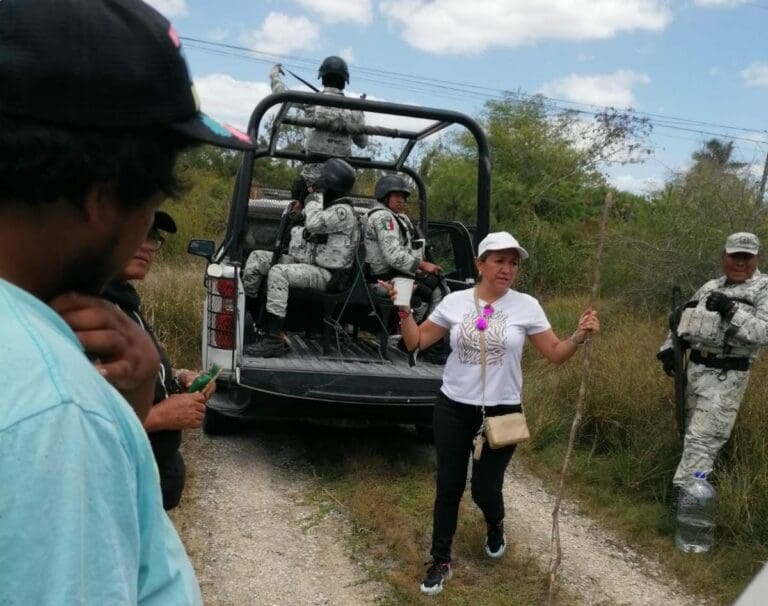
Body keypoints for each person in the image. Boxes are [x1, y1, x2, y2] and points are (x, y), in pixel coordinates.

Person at [0, 0, 253, 603]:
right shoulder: (57, 413)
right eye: (153, 197)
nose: (146, 230)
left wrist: (134, 402)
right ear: (103, 192)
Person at [381, 231, 599, 596]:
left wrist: (578, 336)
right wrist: (403, 309)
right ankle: (440, 560)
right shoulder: (455, 303)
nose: (507, 269)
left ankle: (495, 523)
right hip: (453, 406)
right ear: (480, 264)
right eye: (499, 261)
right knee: (448, 486)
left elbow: (555, 354)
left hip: (502, 411)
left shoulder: (526, 306)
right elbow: (416, 341)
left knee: (485, 489)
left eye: (513, 263)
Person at [103, 211, 214, 510]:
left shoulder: (124, 303)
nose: (147, 245)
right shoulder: (89, 314)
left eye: (153, 236)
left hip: (147, 493)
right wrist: (161, 416)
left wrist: (178, 377)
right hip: (116, 496)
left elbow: (130, 375)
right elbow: (79, 426)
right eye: (137, 230)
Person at [657, 232, 768, 490]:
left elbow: (764, 333)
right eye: (734, 256)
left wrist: (731, 311)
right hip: (694, 373)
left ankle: (687, 506)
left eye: (746, 257)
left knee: (701, 443)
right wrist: (670, 349)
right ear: (723, 256)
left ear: (757, 258)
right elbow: (683, 320)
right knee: (690, 439)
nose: (740, 262)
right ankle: (697, 495)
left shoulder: (763, 288)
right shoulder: (710, 286)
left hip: (726, 377)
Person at [246, 158, 359, 358]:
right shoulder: (327, 208)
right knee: (257, 259)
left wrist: (314, 197)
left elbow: (314, 224)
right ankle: (248, 316)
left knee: (278, 272)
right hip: (311, 264)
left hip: (329, 275)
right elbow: (303, 243)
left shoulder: (342, 211)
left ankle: (273, 339)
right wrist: (296, 219)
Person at [270, 56, 368, 186]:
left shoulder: (311, 102)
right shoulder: (353, 109)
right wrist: (360, 113)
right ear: (345, 82)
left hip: (310, 179)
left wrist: (274, 75)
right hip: (339, 181)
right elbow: (362, 143)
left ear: (322, 79)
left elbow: (280, 95)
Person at [365, 174, 445, 320]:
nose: (401, 200)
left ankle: (417, 329)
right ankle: (420, 331)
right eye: (396, 195)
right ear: (384, 196)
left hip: (394, 275)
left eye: (403, 196)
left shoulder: (395, 217)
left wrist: (420, 266)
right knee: (437, 292)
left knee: (437, 285)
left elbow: (404, 250)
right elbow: (393, 255)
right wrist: (423, 265)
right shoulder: (383, 217)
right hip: (383, 280)